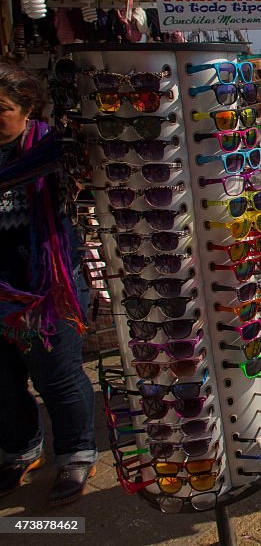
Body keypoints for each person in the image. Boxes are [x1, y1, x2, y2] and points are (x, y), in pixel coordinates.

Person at [0, 60, 97, 505]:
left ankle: (76, 453)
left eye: (0, 108)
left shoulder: (54, 150)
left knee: (56, 373)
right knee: (1, 377)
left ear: (26, 107)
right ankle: (20, 449)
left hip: (44, 276)